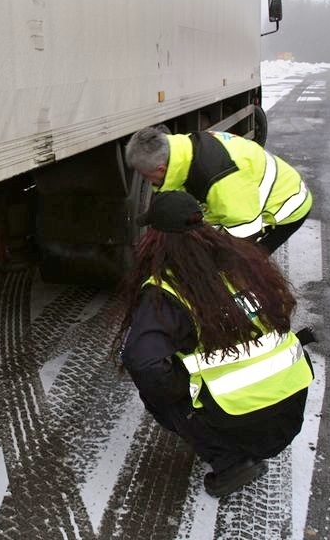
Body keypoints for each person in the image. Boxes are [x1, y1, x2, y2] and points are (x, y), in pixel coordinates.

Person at [113, 190, 314, 497]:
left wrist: (183, 383)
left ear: (155, 239)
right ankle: (235, 434)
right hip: (289, 409)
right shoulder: (242, 264)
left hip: (249, 423)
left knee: (157, 392)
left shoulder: (165, 290)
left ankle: (231, 461)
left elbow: (144, 363)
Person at [125, 125, 312, 254]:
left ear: (161, 169)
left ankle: (255, 306)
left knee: (244, 267)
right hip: (244, 201)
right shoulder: (181, 150)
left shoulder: (218, 178)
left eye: (145, 176)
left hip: (287, 207)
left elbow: (244, 234)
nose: (147, 181)